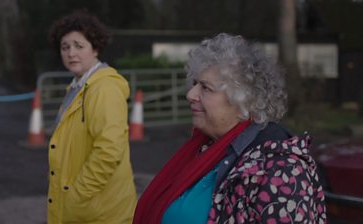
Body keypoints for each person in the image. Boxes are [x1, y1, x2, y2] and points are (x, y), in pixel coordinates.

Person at [133, 33, 327, 224]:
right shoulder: (207, 147)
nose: (190, 94)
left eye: (205, 87)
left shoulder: (281, 169)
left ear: (243, 100)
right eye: (194, 84)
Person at [47, 10, 136, 224]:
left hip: (100, 212)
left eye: (79, 46)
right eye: (65, 47)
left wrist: (78, 195)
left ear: (95, 48)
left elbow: (109, 149)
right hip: (85, 210)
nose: (71, 53)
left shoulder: (103, 88)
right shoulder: (79, 86)